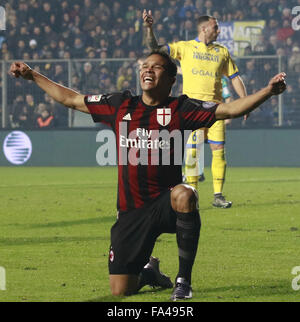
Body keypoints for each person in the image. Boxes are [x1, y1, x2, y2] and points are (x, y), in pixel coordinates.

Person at [9, 53, 286, 300]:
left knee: (186, 194)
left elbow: (231, 109)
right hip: (130, 212)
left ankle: (183, 281)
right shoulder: (120, 104)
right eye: (144, 66)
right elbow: (71, 99)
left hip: (165, 204)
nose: (148, 70)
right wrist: (32, 74)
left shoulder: (181, 108)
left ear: (171, 79)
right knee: (121, 290)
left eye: (156, 67)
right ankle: (149, 274)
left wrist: (268, 91)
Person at [143, 11, 247, 208]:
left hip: (216, 110)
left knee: (219, 151)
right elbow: (154, 47)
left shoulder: (222, 52)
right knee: (193, 152)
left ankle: (218, 195)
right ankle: (194, 194)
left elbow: (234, 77)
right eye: (215, 27)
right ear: (204, 28)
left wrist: (245, 100)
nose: (218, 30)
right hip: (192, 110)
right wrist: (149, 28)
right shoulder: (185, 47)